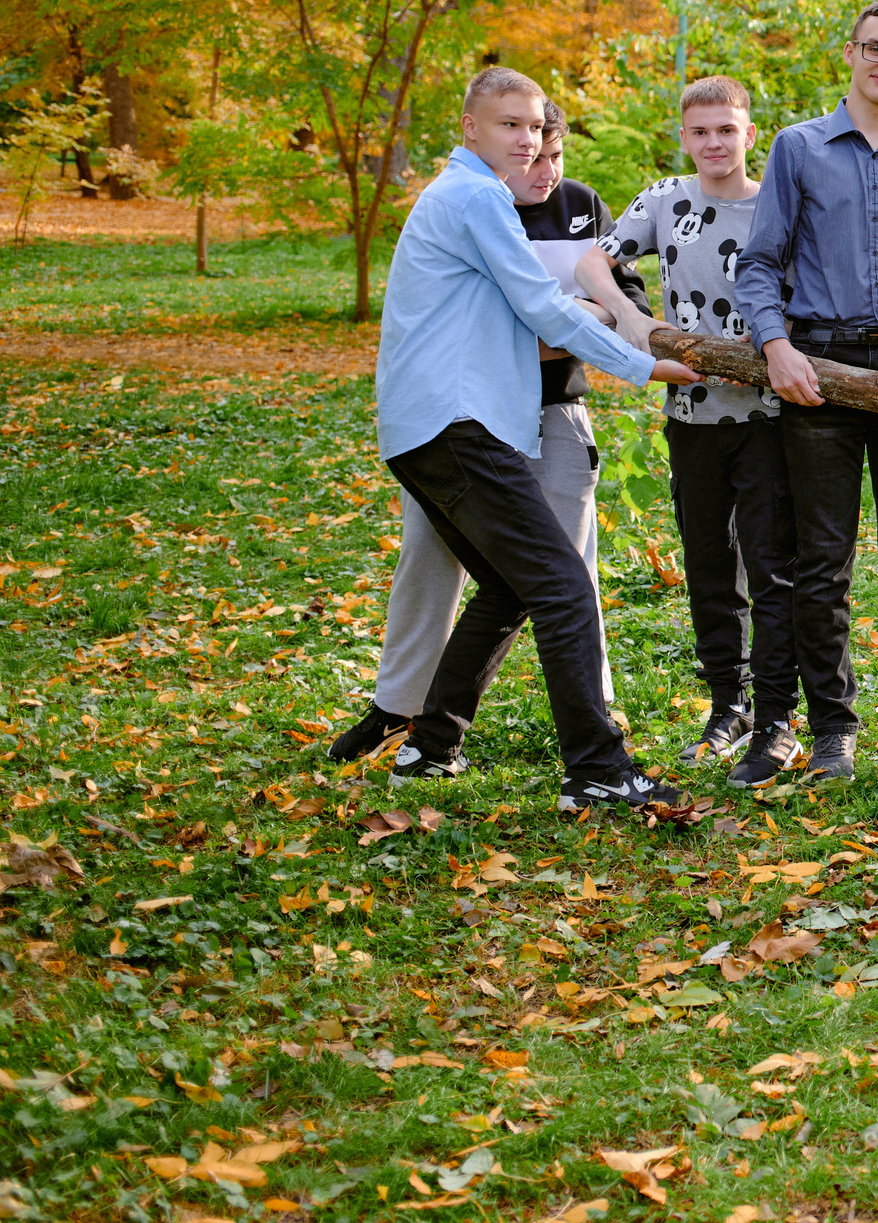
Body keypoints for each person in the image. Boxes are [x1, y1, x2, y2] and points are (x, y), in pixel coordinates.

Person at [371, 66, 702, 813]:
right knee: (562, 585)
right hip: (455, 427)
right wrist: (646, 366)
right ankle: (596, 767)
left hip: (423, 429)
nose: (525, 140)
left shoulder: (459, 196)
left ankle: (431, 743)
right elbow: (544, 311)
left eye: (532, 125)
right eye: (507, 125)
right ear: (470, 129)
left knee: (515, 586)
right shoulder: (475, 197)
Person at [330, 100, 646, 764]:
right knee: (480, 568)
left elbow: (622, 307)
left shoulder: (580, 209)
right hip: (465, 418)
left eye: (548, 145)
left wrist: (583, 322)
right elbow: (523, 321)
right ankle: (410, 711)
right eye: (523, 137)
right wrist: (619, 347)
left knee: (551, 574)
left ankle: (443, 737)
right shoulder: (480, 202)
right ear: (475, 128)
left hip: (545, 411)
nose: (540, 159)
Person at [733, 0, 878, 787]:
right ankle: (834, 729)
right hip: (819, 374)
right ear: (851, 52)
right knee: (821, 562)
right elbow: (760, 263)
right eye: (876, 47)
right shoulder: (798, 149)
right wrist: (776, 348)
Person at [590, 77, 794, 770]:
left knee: (772, 568)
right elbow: (598, 260)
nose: (714, 143)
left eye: (726, 130)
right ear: (685, 136)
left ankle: (776, 718)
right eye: (700, 131)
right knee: (709, 568)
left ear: (749, 133)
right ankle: (726, 707)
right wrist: (634, 321)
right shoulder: (666, 198)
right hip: (691, 414)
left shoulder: (777, 203)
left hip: (768, 417)